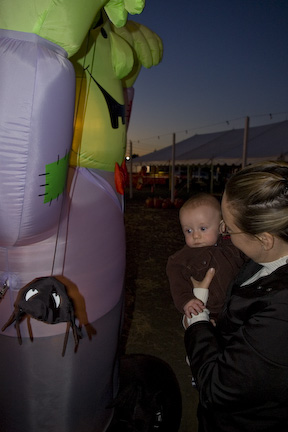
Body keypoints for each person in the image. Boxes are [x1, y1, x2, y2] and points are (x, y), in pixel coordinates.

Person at [184, 161, 288, 432]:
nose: (224, 233)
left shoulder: (282, 312)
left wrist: (197, 325)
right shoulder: (265, 258)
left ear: (265, 239)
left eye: (228, 228)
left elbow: (217, 388)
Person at [166, 193, 245, 323]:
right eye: (188, 231)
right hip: (209, 310)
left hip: (237, 307)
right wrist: (186, 300)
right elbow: (177, 280)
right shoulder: (183, 258)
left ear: (222, 227)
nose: (196, 236)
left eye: (202, 228)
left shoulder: (234, 244)